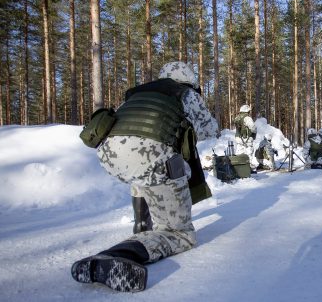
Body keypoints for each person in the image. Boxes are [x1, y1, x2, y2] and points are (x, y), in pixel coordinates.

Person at [71, 61, 218, 292]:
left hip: (110, 156)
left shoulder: (138, 93)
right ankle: (115, 255)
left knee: (145, 167)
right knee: (179, 234)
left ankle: (142, 224)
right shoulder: (187, 93)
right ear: (189, 79)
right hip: (154, 158)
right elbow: (210, 129)